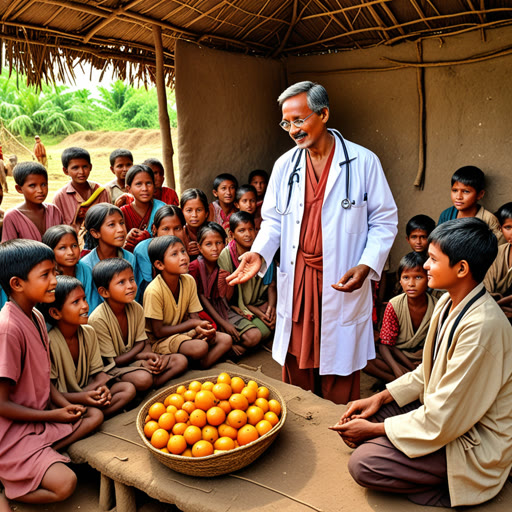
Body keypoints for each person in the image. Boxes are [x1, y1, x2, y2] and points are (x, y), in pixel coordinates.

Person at [227, 81, 398, 404]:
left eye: (299, 120)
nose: (293, 130)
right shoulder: (285, 165)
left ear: (324, 114)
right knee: (297, 350)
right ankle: (303, 415)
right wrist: (259, 254)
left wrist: (366, 264)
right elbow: (274, 220)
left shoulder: (363, 162)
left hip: (341, 278)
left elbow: (384, 220)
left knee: (339, 358)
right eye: (286, 123)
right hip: (299, 275)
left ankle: (337, 420)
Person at [332, 218, 512, 508]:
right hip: (446, 412)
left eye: (432, 259)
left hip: (473, 436)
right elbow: (426, 372)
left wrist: (377, 431)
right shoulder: (446, 302)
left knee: (364, 463)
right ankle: (402, 453)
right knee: (367, 416)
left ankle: (453, 486)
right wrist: (381, 397)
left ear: (461, 269)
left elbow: (444, 419)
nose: (425, 266)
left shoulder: (483, 327)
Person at [0, 239, 102, 508]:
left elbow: (43, 379)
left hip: (40, 417)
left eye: (54, 272)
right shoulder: (8, 329)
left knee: (93, 414)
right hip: (13, 430)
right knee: (66, 484)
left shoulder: (35, 316)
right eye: (45, 275)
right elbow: (1, 404)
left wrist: (67, 405)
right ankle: (11, 488)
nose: (55, 280)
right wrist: (53, 415)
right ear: (17, 284)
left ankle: (41, 454)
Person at [89, 258, 188, 392]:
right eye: (121, 282)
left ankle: (151, 385)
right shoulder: (98, 319)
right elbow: (114, 361)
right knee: (143, 378)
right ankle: (148, 384)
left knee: (180, 361)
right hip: (113, 369)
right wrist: (141, 357)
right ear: (104, 292)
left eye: (131, 279)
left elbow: (144, 342)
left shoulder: (136, 308)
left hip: (135, 361)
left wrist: (151, 358)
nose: (130, 286)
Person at [43, 275, 136, 417]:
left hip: (88, 391)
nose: (85, 306)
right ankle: (91, 414)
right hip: (66, 401)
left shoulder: (89, 332)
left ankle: (90, 414)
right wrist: (84, 396)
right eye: (75, 302)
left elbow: (98, 374)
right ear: (56, 312)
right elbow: (52, 394)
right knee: (93, 414)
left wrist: (101, 390)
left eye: (84, 299)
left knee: (128, 389)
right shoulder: (49, 343)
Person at [143, 235, 232, 369]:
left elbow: (194, 316)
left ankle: (199, 365)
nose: (183, 257)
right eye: (174, 254)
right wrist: (192, 323)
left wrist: (200, 328)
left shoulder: (188, 280)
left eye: (183, 251)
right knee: (200, 347)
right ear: (159, 264)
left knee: (225, 340)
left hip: (184, 333)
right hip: (161, 340)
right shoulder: (153, 291)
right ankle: (186, 359)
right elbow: (158, 332)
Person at [189, 222, 262, 357]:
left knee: (255, 336)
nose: (215, 248)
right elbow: (200, 298)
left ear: (225, 243)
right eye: (208, 244)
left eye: (218, 243)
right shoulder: (194, 267)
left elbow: (224, 298)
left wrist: (232, 304)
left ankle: (227, 348)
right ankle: (227, 348)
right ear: (199, 247)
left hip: (223, 309)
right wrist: (223, 323)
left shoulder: (223, 263)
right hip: (202, 314)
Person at [365, 252, 436, 382]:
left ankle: (406, 382)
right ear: (400, 281)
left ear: (428, 279)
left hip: (425, 359)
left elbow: (439, 344)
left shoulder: (437, 306)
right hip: (400, 356)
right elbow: (385, 344)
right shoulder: (394, 305)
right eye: (406, 278)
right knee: (367, 360)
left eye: (418, 277)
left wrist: (423, 364)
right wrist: (396, 368)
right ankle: (402, 382)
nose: (411, 283)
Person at [220, 212, 276, 342]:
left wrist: (271, 307)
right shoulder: (226, 255)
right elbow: (227, 294)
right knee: (260, 333)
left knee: (277, 321)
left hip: (259, 302)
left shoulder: (261, 252)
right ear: (231, 234)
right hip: (236, 306)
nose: (247, 234)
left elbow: (271, 284)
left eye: (251, 229)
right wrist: (256, 311)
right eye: (241, 230)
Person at [53, 147, 110, 248]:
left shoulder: (101, 192)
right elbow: (57, 230)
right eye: (75, 168)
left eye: (85, 167)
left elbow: (109, 220)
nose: (81, 172)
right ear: (65, 171)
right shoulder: (60, 197)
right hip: (73, 247)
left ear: (90, 167)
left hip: (101, 245)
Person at [133, 205, 187, 302]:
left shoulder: (181, 247)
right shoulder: (143, 250)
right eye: (166, 229)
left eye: (177, 228)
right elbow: (148, 288)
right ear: (154, 229)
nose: (172, 234)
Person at [437, 165, 503, 243]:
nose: (458, 197)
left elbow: (498, 250)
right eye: (455, 190)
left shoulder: (489, 220)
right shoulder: (446, 215)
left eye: (466, 191)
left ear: (480, 194)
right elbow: (436, 243)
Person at [42, 225, 101, 312]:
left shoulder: (85, 270)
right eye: (62, 248)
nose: (70, 252)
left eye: (74, 246)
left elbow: (93, 303)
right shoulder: (48, 278)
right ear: (50, 251)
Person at [2, 162, 63, 242]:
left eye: (43, 184)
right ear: (19, 189)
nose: (40, 190)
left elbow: (63, 241)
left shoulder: (54, 211)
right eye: (32, 186)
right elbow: (9, 251)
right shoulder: (12, 217)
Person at [120, 164, 166, 252]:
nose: (145, 188)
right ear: (129, 189)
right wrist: (127, 239)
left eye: (148, 183)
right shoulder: (123, 213)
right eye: (138, 184)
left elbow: (168, 239)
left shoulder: (162, 209)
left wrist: (148, 237)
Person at [81, 203, 136, 274]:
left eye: (121, 223)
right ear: (95, 233)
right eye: (111, 224)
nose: (120, 229)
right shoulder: (86, 266)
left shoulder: (130, 258)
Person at [483, 202, 512, 318]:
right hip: (494, 313)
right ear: (500, 228)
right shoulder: (496, 253)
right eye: (508, 227)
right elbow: (486, 290)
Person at [180, 188, 209, 260]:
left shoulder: (213, 233)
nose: (194, 215)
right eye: (189, 210)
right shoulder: (180, 234)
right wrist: (185, 253)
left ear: (206, 213)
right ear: (182, 212)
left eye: (199, 210)